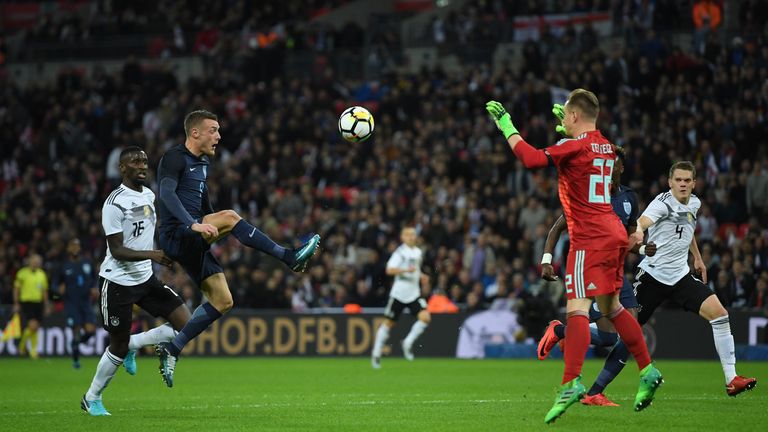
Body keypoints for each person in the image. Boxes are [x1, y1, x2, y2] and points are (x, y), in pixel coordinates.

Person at [486, 89, 662, 424]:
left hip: (587, 237)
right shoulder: (608, 148)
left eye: (566, 114)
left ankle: (570, 383)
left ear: (575, 116)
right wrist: (569, 130)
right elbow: (585, 154)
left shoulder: (574, 145)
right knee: (613, 307)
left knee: (577, 308)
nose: (562, 119)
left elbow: (532, 159)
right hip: (614, 234)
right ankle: (648, 370)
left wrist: (506, 124)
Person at [154, 110, 320, 387]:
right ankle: (288, 257)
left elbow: (204, 206)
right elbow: (167, 194)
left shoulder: (202, 164)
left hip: (194, 236)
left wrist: (212, 232)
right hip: (176, 233)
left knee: (223, 300)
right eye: (213, 130)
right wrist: (194, 225)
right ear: (195, 133)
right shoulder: (173, 158)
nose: (218, 136)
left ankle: (173, 348)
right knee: (231, 216)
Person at [537, 146, 658, 407]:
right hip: (589, 269)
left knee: (618, 336)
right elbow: (557, 228)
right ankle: (561, 333)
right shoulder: (589, 194)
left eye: (613, 163)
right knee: (610, 333)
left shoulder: (629, 198)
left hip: (615, 271)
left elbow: (628, 238)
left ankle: (593, 390)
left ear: (621, 168)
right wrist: (547, 260)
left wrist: (641, 247)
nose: (608, 167)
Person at [629, 161, 757, 397]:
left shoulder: (695, 203)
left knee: (720, 314)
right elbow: (642, 222)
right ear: (670, 182)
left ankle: (732, 379)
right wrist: (638, 232)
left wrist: (697, 258)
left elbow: (687, 230)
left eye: (687, 180)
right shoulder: (662, 204)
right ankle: (566, 332)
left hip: (680, 277)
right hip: (652, 276)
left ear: (694, 183)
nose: (683, 184)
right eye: (678, 180)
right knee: (621, 333)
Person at [81, 147, 193, 416]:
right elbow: (117, 250)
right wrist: (154, 254)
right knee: (116, 347)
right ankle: (91, 397)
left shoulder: (149, 194)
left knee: (187, 324)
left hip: (145, 278)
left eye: (144, 160)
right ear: (122, 168)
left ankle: (134, 343)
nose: (142, 165)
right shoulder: (114, 202)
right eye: (135, 161)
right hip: (117, 282)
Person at [371, 227, 431, 369]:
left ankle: (407, 343)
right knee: (389, 324)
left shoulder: (417, 252)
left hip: (414, 294)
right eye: (408, 235)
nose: (411, 237)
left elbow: (416, 269)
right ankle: (376, 353)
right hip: (399, 294)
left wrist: (421, 276)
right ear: (402, 237)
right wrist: (405, 270)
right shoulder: (400, 253)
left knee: (425, 318)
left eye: (413, 235)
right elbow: (389, 269)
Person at [55, 238, 97, 369]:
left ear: (80, 248)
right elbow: (54, 284)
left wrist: (95, 288)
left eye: (77, 246)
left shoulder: (87, 263)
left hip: (86, 302)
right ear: (68, 248)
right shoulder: (63, 265)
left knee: (90, 331)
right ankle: (76, 361)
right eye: (72, 246)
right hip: (71, 303)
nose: (75, 248)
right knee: (77, 331)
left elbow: (95, 278)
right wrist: (57, 290)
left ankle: (76, 344)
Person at [13, 254, 49, 360]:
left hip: (38, 303)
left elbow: (44, 291)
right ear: (30, 261)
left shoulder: (41, 274)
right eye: (35, 261)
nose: (36, 263)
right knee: (33, 326)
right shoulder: (22, 273)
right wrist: (16, 302)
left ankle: (33, 352)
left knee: (35, 328)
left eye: (38, 261)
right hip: (27, 302)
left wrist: (46, 304)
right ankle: (21, 346)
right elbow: (16, 289)